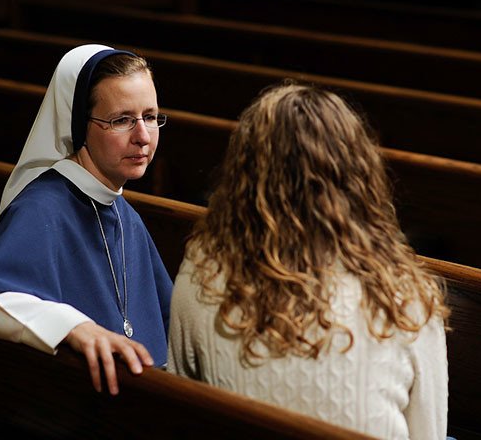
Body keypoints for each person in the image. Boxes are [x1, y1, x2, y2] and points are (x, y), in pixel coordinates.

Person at [167, 83, 450, 439]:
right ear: (357, 176)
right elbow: (430, 432)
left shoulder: (202, 270)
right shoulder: (406, 297)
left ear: (244, 175)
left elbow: (181, 407)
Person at [0, 44, 173, 396]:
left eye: (150, 116)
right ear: (78, 126)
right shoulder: (42, 206)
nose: (143, 137)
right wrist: (73, 326)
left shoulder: (122, 211)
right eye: (121, 120)